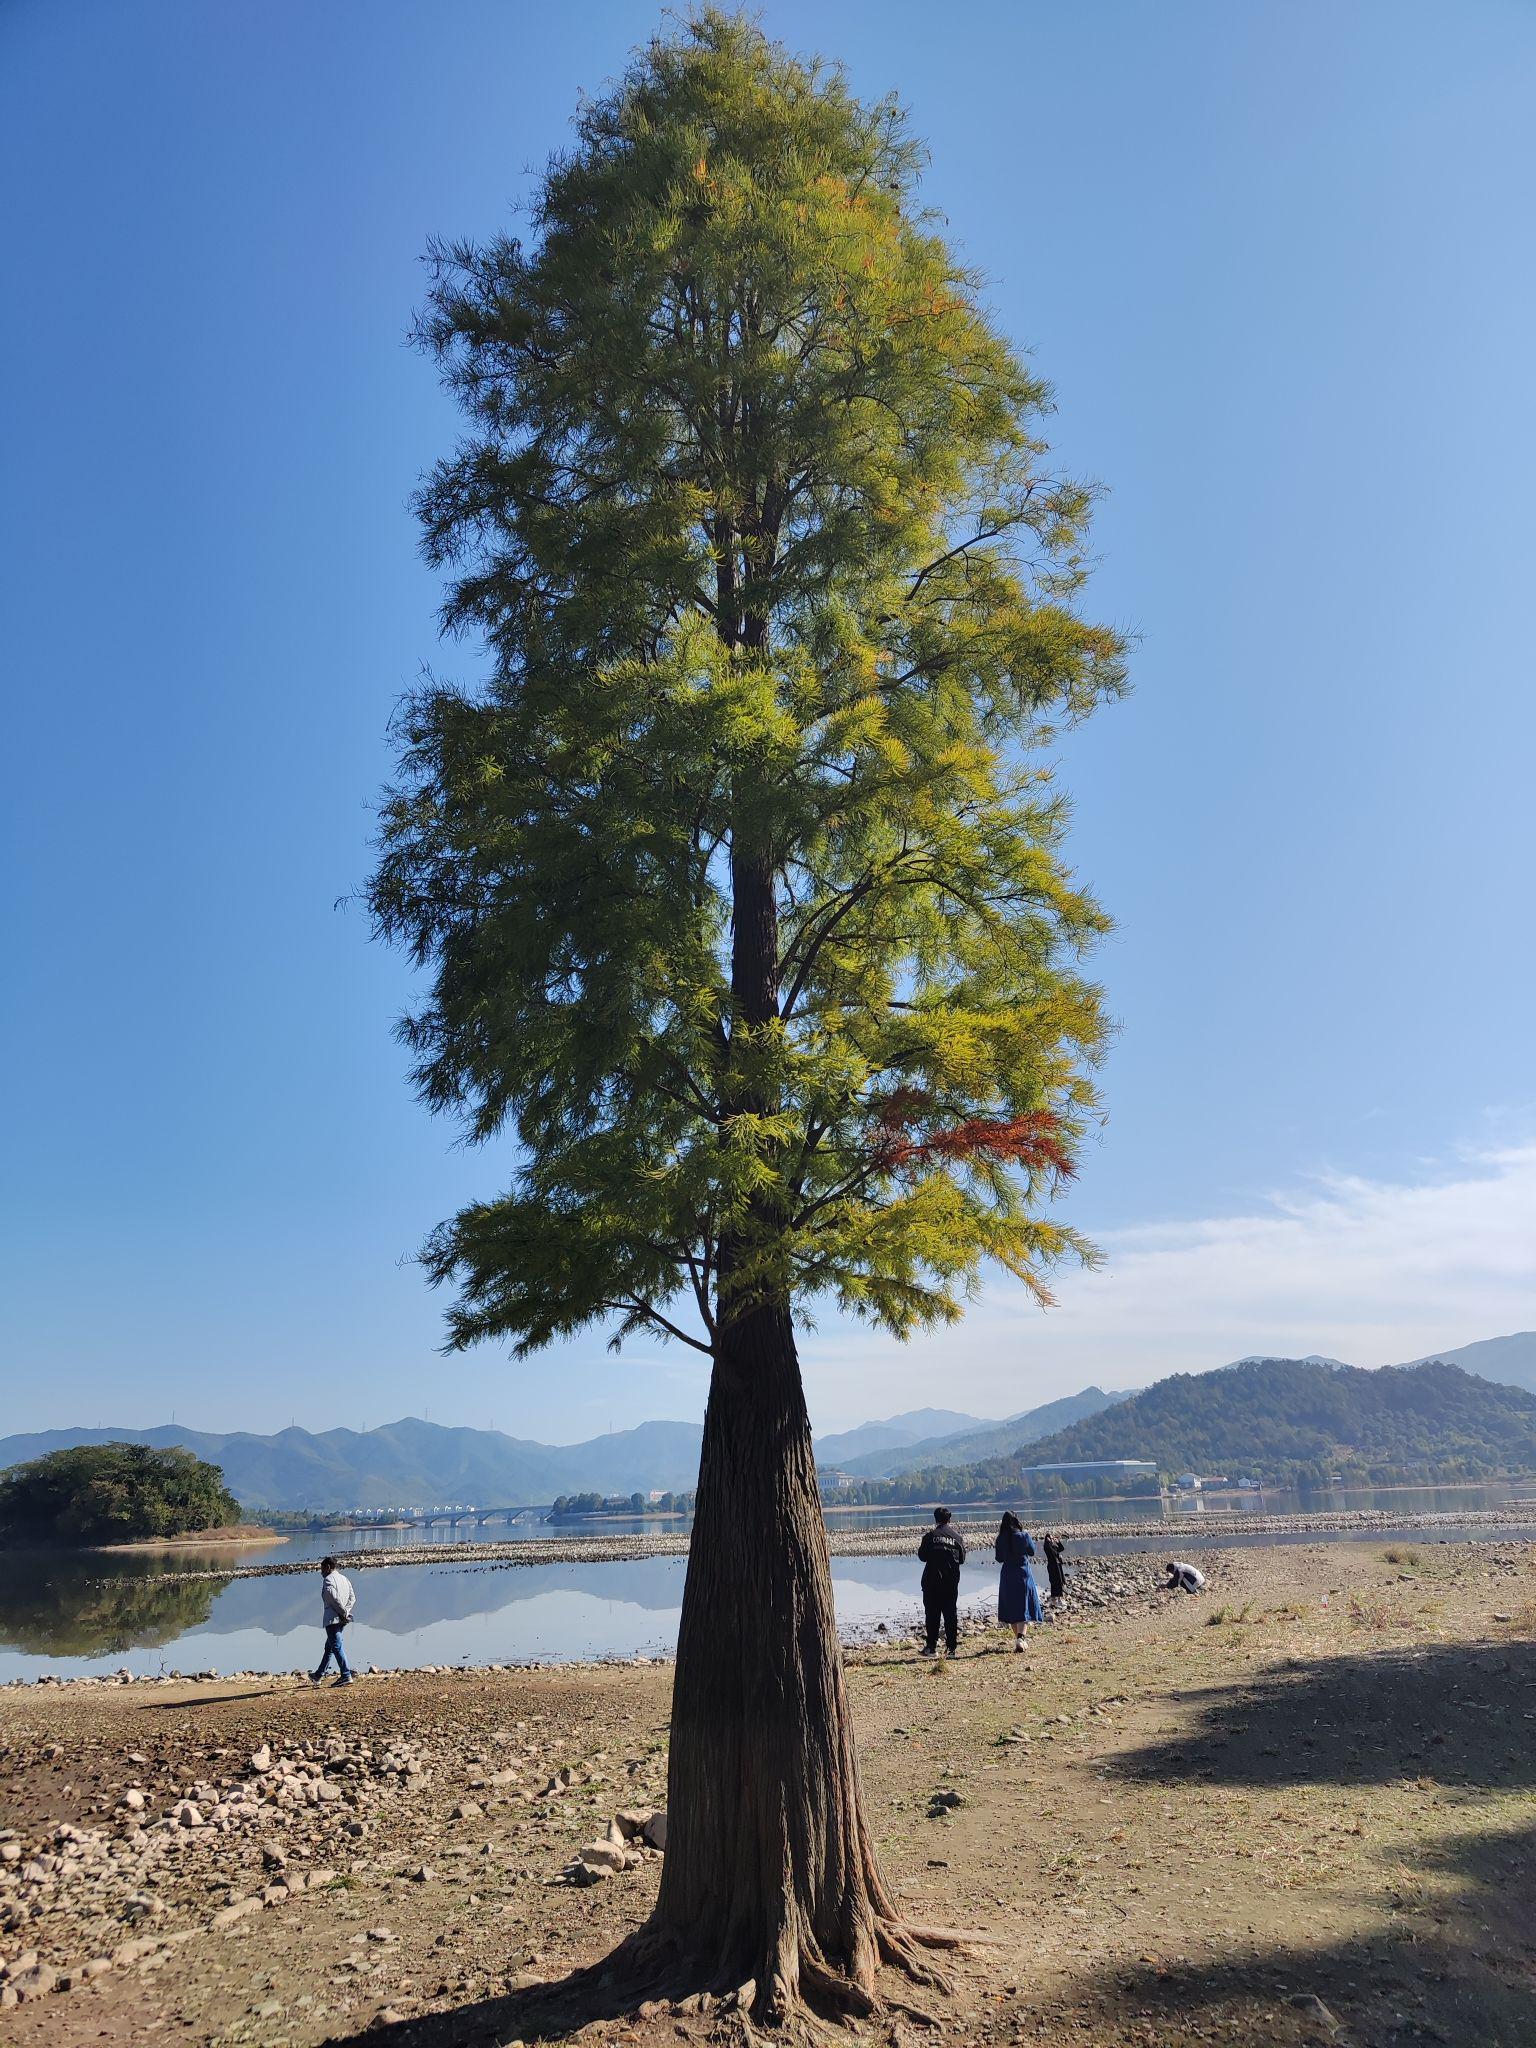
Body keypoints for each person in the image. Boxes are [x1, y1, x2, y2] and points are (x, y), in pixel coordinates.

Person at [917, 1507, 966, 1657]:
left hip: (932, 1583)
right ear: (949, 1520)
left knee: (932, 1615)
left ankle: (931, 1648)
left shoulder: (929, 1537)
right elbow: (962, 1559)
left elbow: (922, 1557)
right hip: (950, 1583)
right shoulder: (957, 1538)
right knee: (951, 1615)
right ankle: (951, 1649)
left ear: (935, 1519)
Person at [995, 1511, 1043, 1650]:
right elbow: (1032, 1551)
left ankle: (1019, 1639)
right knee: (1024, 1606)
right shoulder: (1024, 1536)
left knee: (1012, 1608)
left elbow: (999, 1558)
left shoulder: (1000, 1539)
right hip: (1023, 1573)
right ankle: (1021, 1639)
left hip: (1007, 1575)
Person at [311, 1556, 356, 1685]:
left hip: (333, 1619)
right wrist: (346, 1612)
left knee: (336, 1647)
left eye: (322, 1569)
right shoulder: (345, 1579)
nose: (321, 1572)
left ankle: (346, 1675)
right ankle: (318, 1675)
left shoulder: (328, 1580)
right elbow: (352, 1598)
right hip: (342, 1619)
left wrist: (342, 1613)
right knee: (329, 1647)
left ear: (328, 1567)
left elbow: (333, 1598)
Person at [1042, 1531, 1067, 1603]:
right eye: (1051, 1538)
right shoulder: (1047, 1546)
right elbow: (1052, 1552)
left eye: (1052, 1538)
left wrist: (1058, 1542)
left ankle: (1059, 1597)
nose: (1052, 1539)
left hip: (1057, 1565)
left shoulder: (1053, 1546)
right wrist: (1058, 1555)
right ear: (1047, 1539)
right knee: (1054, 1581)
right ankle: (1055, 1597)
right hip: (1052, 1565)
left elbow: (1061, 1549)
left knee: (1059, 1580)